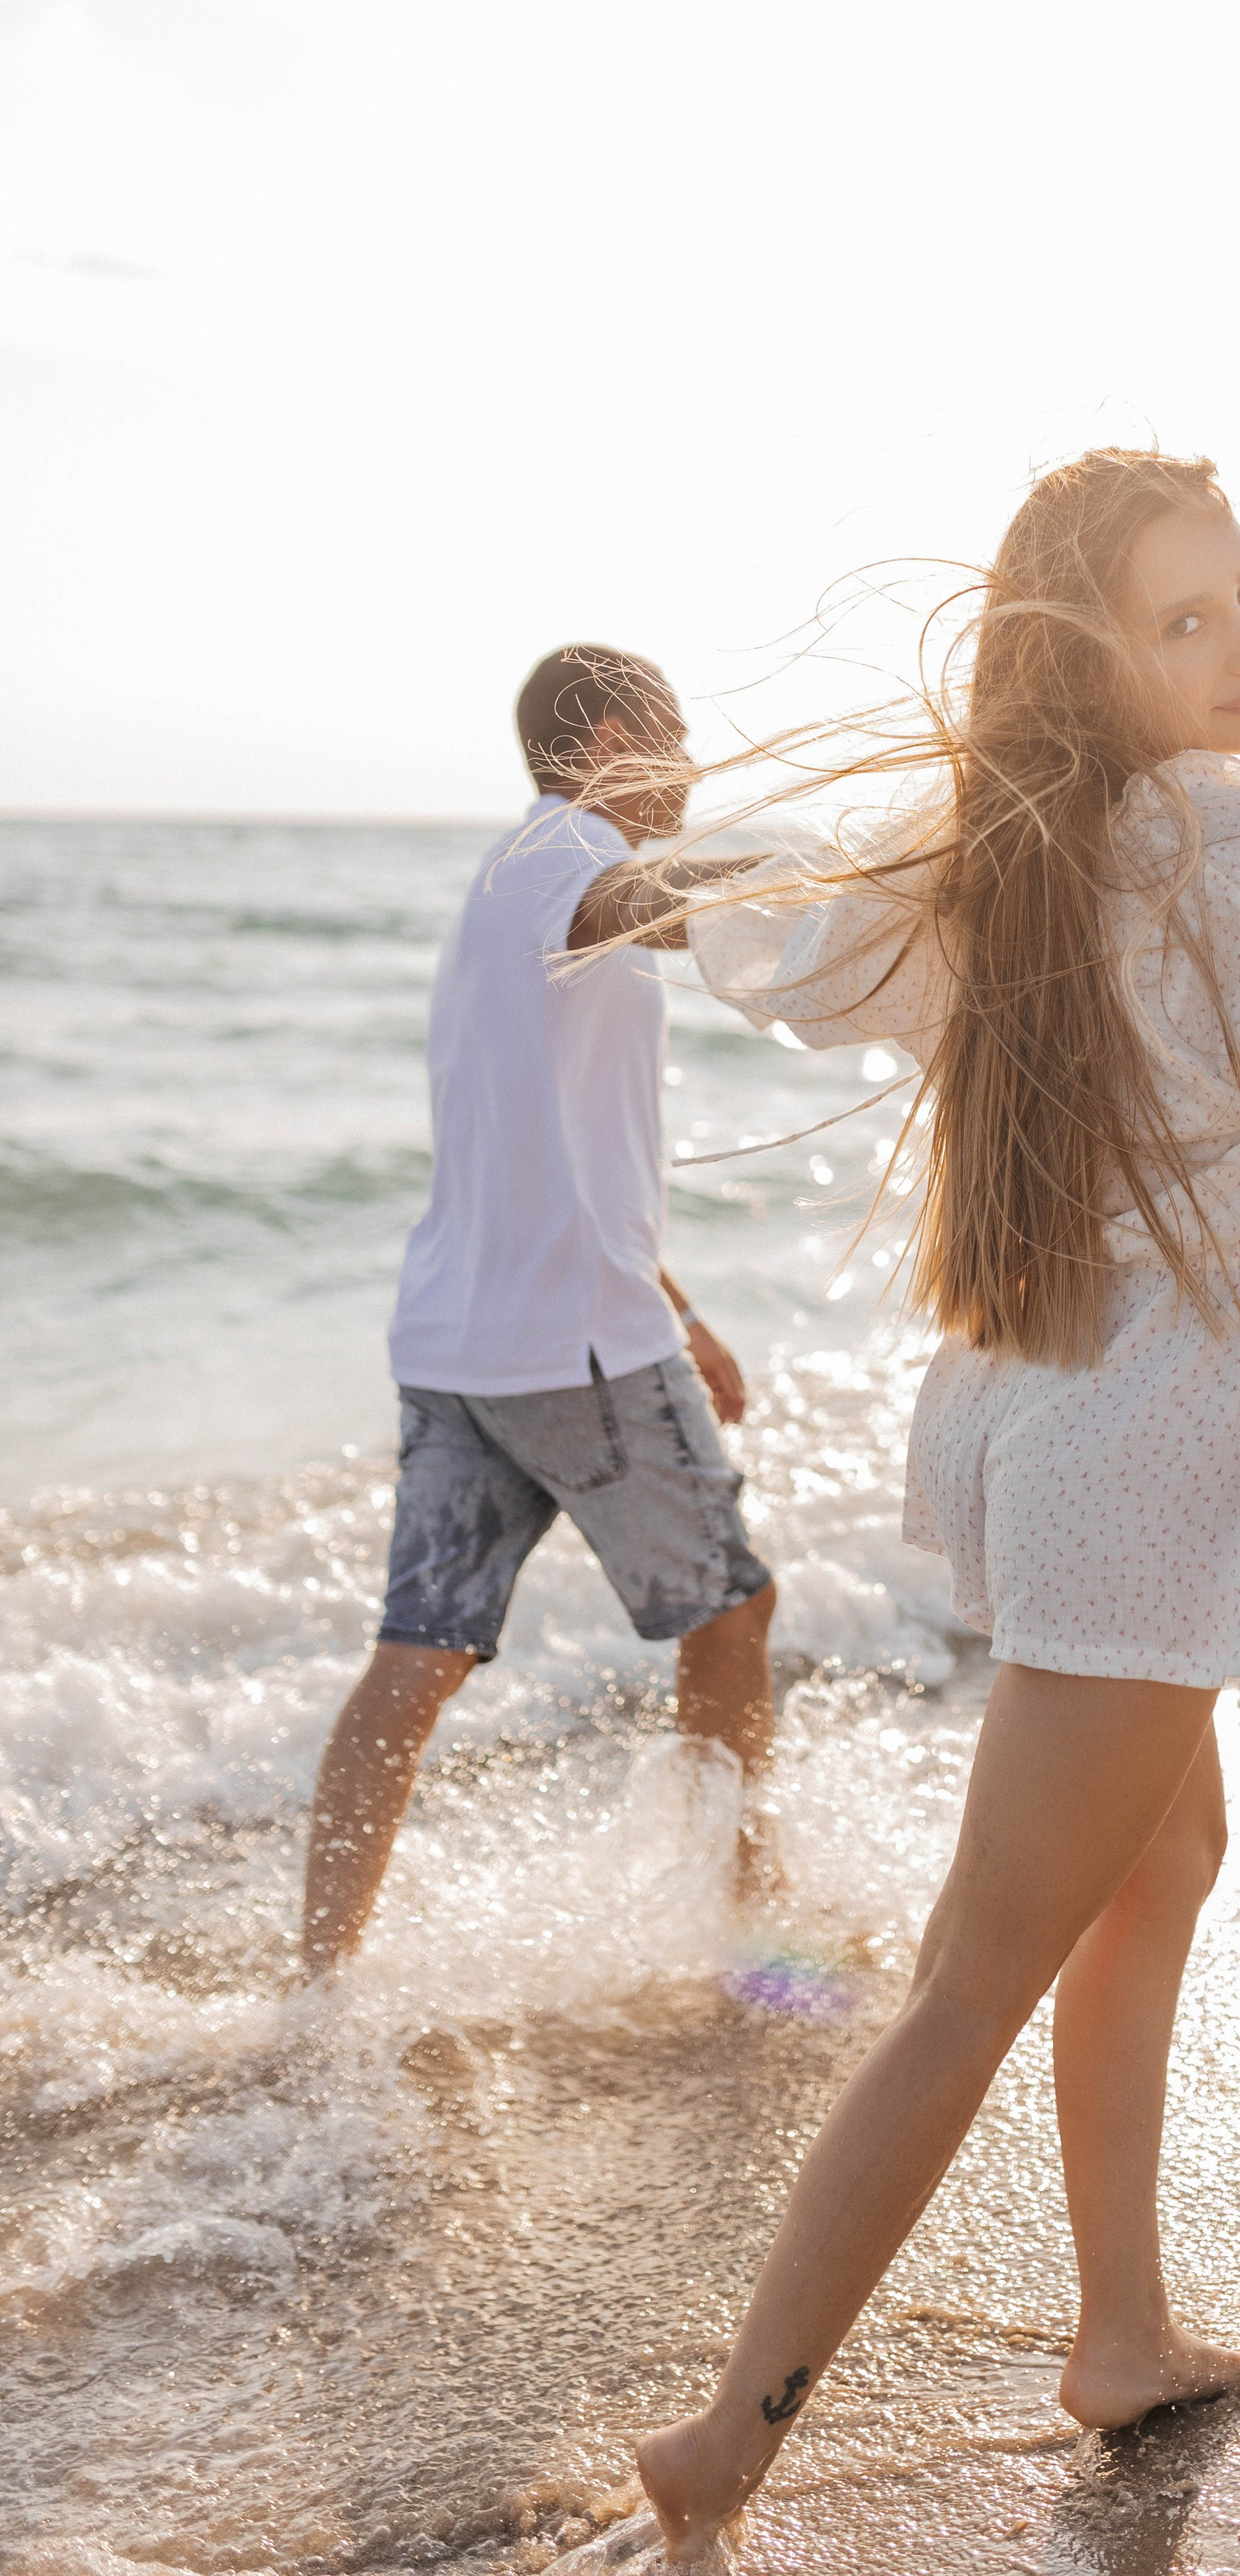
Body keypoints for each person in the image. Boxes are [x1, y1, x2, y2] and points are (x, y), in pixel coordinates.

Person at [576, 452, 1240, 2562]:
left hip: (1053, 1439)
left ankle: (1118, 2327)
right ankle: (724, 2446)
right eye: (1186, 618)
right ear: (1091, 657)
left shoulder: (1010, 868)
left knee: (1165, 1856)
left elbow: (797, 956)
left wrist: (655, 872)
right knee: (972, 1976)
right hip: (1152, 1478)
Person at [300, 647, 774, 1974]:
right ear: (617, 734)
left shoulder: (509, 882)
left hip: (463, 1343)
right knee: (734, 1616)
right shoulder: (564, 853)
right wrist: (835, 876)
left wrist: (684, 1309)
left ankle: (321, 1975)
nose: (694, 766)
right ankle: (744, 1923)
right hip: (576, 1352)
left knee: (419, 1653)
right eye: (676, 736)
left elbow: (549, 1154)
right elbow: (651, 899)